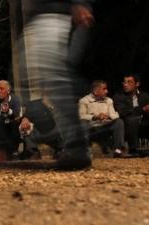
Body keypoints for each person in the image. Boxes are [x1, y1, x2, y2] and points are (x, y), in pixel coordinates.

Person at [21, 0, 95, 169]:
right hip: (46, 17)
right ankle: (75, 145)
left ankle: (77, 148)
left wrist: (80, 3)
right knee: (52, 81)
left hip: (54, 15)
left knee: (56, 81)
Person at [113, 74, 149, 157]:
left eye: (129, 82)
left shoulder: (144, 95)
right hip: (127, 127)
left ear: (137, 84)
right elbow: (122, 112)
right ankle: (133, 149)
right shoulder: (118, 96)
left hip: (143, 125)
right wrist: (142, 109)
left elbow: (148, 109)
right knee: (133, 119)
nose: (125, 84)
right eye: (124, 82)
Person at [78, 80, 125, 157]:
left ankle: (118, 150)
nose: (107, 91)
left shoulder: (109, 100)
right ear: (95, 91)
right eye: (104, 89)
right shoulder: (84, 101)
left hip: (105, 127)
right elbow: (81, 116)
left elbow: (115, 114)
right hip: (92, 129)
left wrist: (108, 116)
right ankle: (86, 151)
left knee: (119, 122)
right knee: (83, 122)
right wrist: (95, 117)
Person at [0, 80, 22, 163]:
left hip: (12, 128)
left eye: (1, 89)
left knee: (14, 123)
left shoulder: (15, 100)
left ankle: (11, 152)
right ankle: (1, 152)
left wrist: (8, 111)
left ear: (8, 90)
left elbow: (17, 115)